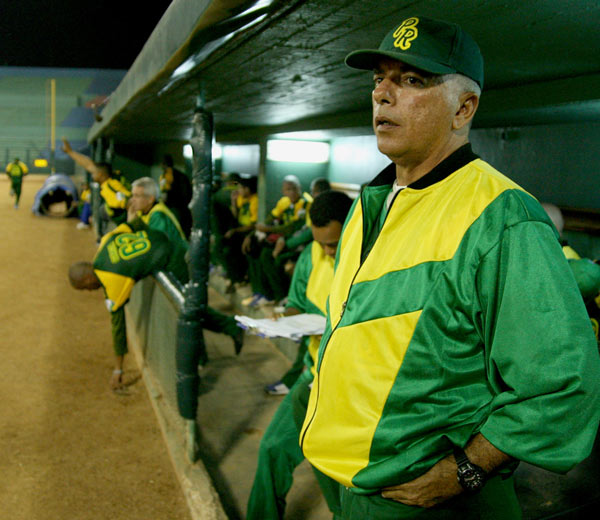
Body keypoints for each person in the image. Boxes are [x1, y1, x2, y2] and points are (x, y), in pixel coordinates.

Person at [299, 16, 600, 519]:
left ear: (464, 108)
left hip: (428, 500)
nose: (383, 95)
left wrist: (468, 467)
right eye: (379, 78)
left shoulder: (502, 218)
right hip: (356, 482)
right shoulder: (367, 205)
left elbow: (564, 384)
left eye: (412, 80)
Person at [247, 190, 352, 520]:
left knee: (336, 474)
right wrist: (287, 320)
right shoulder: (311, 254)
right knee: (273, 448)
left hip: (347, 382)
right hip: (313, 374)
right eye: (321, 243)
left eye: (333, 244)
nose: (327, 251)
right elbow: (298, 302)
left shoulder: (371, 259)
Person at [68, 216, 243, 390]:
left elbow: (118, 328)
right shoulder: (104, 244)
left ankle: (226, 332)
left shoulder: (112, 281)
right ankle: (215, 344)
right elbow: (135, 223)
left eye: (85, 288)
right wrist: (149, 246)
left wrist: (118, 369)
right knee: (189, 310)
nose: (89, 291)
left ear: (87, 279)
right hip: (170, 244)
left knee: (188, 312)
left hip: (175, 260)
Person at [242, 175, 313, 307]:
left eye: (294, 188)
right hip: (282, 240)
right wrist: (252, 234)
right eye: (288, 189)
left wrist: (269, 230)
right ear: (283, 191)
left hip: (296, 243)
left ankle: (279, 296)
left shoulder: (306, 203)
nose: (291, 192)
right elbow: (269, 220)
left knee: (268, 255)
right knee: (254, 249)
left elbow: (295, 227)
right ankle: (260, 292)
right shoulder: (284, 202)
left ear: (299, 188)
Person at [62, 138, 131, 225]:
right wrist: (70, 152)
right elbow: (88, 165)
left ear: (101, 174)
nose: (92, 175)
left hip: (124, 221)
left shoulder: (112, 185)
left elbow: (129, 200)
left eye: (94, 173)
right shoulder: (110, 178)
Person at [222, 175, 258, 289]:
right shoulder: (241, 198)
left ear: (247, 189)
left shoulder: (255, 200)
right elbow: (236, 216)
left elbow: (253, 225)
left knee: (234, 249)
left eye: (241, 188)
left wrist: (235, 230)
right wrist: (233, 202)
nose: (239, 190)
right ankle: (233, 277)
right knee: (225, 245)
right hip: (240, 229)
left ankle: (239, 278)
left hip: (249, 231)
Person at [159, 154, 192, 237]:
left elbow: (165, 192)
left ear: (164, 164)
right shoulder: (182, 175)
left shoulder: (167, 176)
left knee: (175, 229)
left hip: (173, 207)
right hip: (184, 208)